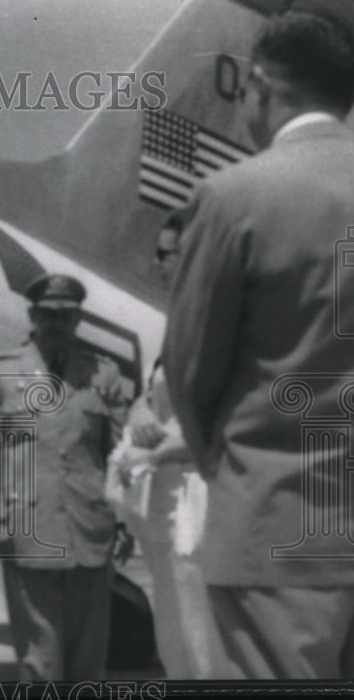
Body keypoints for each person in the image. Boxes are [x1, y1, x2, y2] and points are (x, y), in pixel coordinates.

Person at [162, 11, 354, 679]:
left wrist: (236, 479)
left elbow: (190, 373)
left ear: (256, 83)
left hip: (275, 530)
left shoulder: (233, 195)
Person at [0, 274, 132, 681]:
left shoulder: (103, 376)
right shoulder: (1, 372)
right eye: (47, 315)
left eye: (64, 316)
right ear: (32, 315)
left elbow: (119, 454)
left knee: (89, 660)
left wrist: (124, 518)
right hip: (29, 527)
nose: (55, 323)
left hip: (90, 527)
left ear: (77, 319)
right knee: (39, 658)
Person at [110, 214, 220, 679]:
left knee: (203, 647)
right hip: (166, 512)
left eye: (165, 254)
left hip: (199, 510)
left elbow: (225, 423)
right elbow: (159, 396)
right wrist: (138, 412)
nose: (157, 265)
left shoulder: (216, 325)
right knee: (175, 642)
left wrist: (151, 453)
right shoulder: (181, 323)